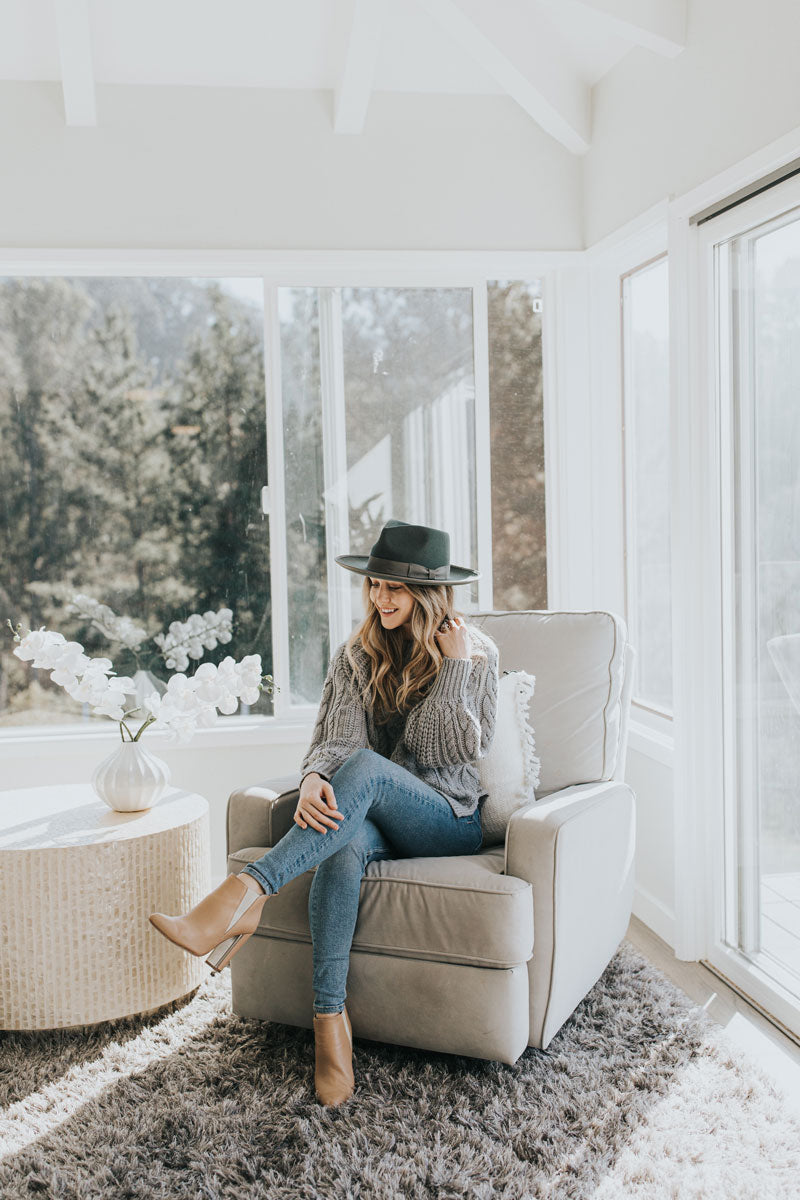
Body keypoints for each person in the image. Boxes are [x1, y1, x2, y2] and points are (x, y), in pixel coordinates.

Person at [149, 519, 499, 1106]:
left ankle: (240, 898)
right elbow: (336, 743)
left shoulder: (476, 653)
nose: (378, 597)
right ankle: (329, 1028)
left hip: (446, 821)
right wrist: (313, 778)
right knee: (343, 838)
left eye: (394, 588)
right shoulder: (356, 655)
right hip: (376, 819)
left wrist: (455, 667)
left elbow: (454, 748)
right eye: (373, 584)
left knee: (361, 770)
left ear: (430, 595)